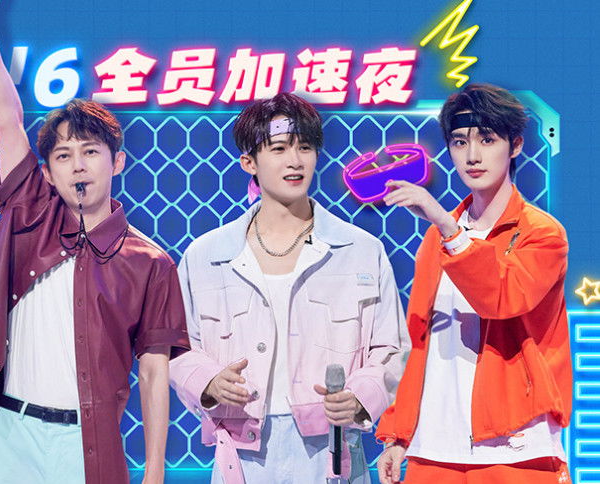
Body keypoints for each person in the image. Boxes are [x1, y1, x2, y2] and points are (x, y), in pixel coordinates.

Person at [0, 1, 190, 483]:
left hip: (85, 442)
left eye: (90, 152)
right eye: (63, 155)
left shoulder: (152, 263)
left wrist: (155, 471)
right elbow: (6, 118)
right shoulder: (30, 215)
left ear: (117, 162)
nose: (78, 165)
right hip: (10, 434)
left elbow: (153, 372)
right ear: (47, 172)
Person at [169, 92, 409, 483]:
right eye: (279, 148)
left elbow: (392, 348)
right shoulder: (206, 256)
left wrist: (360, 397)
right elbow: (177, 346)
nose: (295, 161)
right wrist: (208, 382)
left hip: (332, 450)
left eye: (305, 147)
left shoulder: (361, 250)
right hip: (242, 452)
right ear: (249, 162)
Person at [376, 83, 572, 484]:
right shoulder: (437, 239)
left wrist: (449, 228)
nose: (472, 155)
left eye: (487, 139)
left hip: (515, 444)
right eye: (460, 142)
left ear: (515, 146)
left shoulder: (542, 233)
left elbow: (502, 298)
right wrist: (398, 432)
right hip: (433, 446)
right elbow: (418, 341)